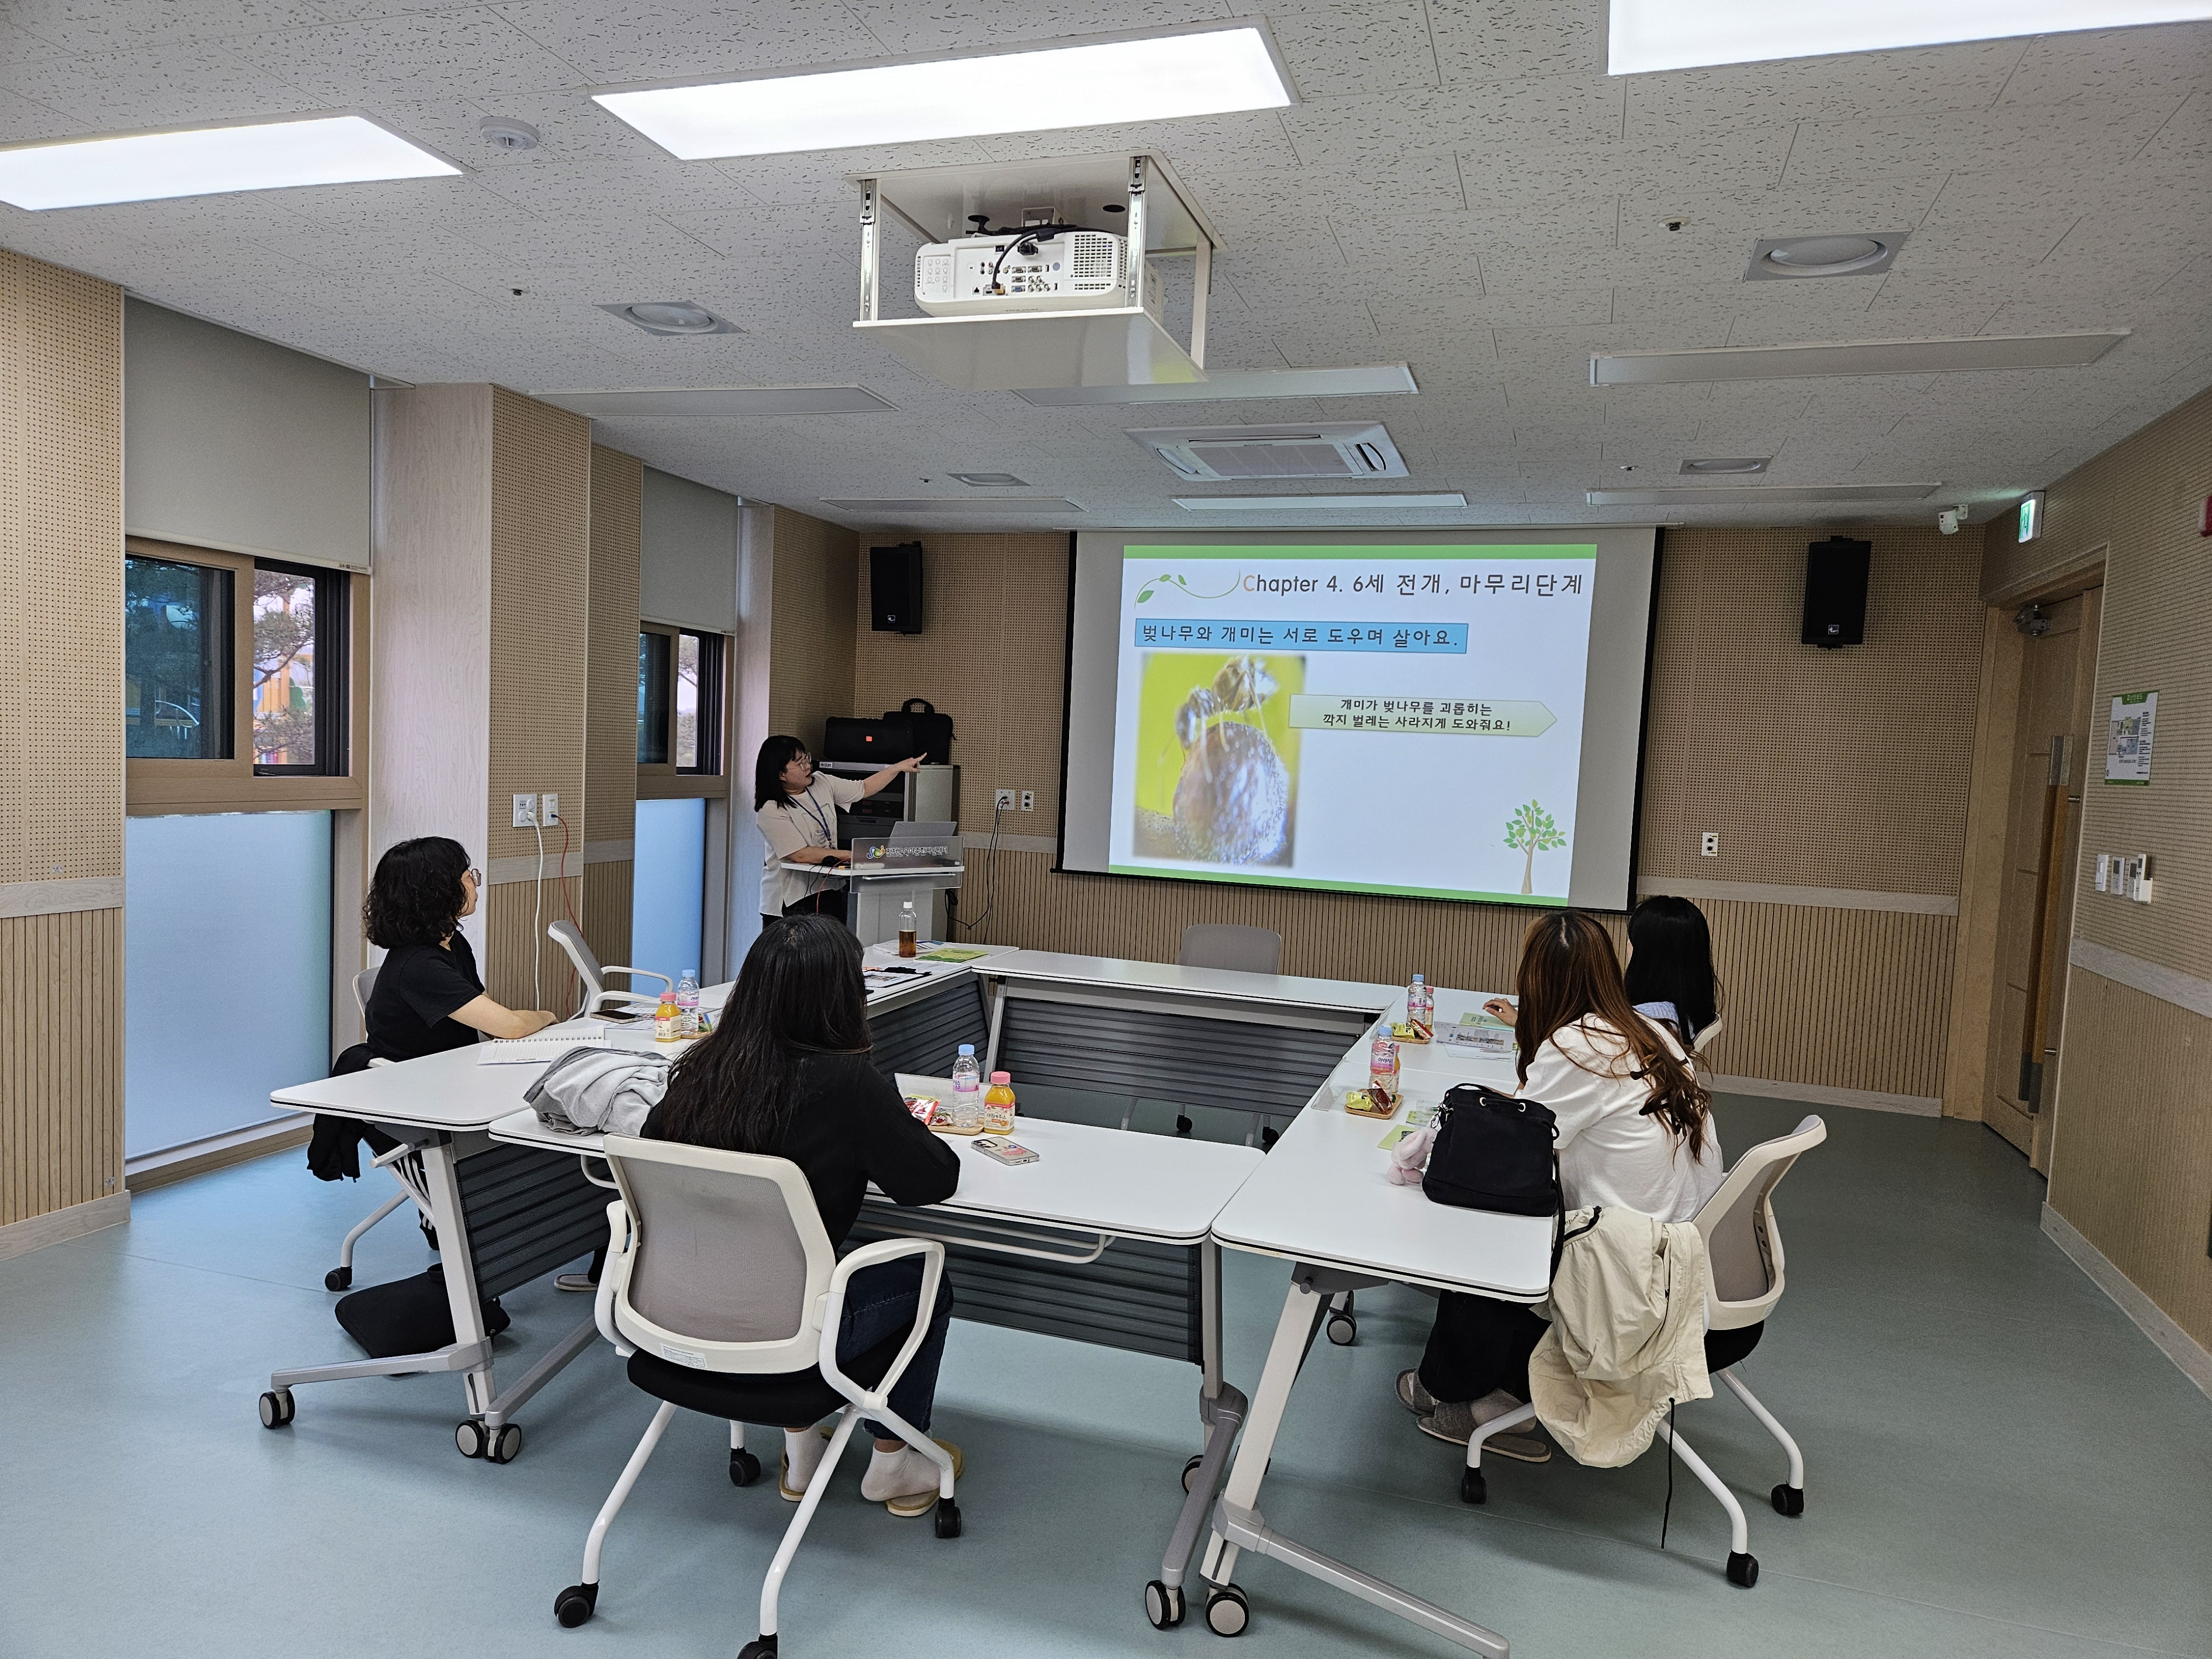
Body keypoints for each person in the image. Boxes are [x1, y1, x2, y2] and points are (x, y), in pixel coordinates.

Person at [641, 914, 963, 1515]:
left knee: (776, 1261)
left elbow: (656, 1155)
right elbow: (930, 1181)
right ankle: (893, 1464)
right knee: (925, 1279)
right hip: (786, 1331)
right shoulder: (846, 1083)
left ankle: (803, 1452)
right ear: (843, 998)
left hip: (674, 1316)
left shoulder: (698, 1070)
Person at [1399, 911, 1724, 1455]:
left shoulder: (1577, 1046)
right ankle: (1503, 1388)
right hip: (1683, 1254)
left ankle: (1449, 1389)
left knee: (1487, 1222)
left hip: (1632, 1272)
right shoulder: (1649, 1031)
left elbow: (1512, 1145)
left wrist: (1431, 1137)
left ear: (1535, 980)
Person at [363, 836, 557, 1060]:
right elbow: (511, 1027)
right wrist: (547, 1016)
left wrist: (516, 1024)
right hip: (412, 1075)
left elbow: (490, 1019)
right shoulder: (419, 965)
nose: (475, 883)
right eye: (468, 877)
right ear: (439, 892)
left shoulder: (451, 941)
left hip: (450, 1065)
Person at [754, 735, 922, 928]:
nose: (808, 766)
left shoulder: (822, 782)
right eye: (800, 764)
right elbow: (800, 854)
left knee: (835, 945)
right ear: (781, 774)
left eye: (807, 759)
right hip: (790, 899)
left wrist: (896, 768)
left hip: (828, 888)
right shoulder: (771, 809)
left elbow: (864, 788)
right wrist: (853, 855)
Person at [1621, 893, 1721, 1047]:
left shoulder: (1651, 1018)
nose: (1628, 944)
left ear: (1647, 954)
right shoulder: (1681, 1014)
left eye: (1632, 938)